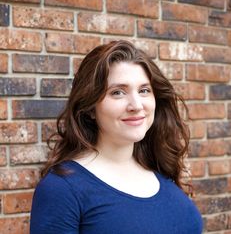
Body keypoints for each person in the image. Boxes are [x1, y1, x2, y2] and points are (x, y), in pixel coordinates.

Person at [30, 40, 203, 234]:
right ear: (90, 108)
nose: (136, 105)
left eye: (144, 90)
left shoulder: (159, 169)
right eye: (118, 92)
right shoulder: (62, 189)